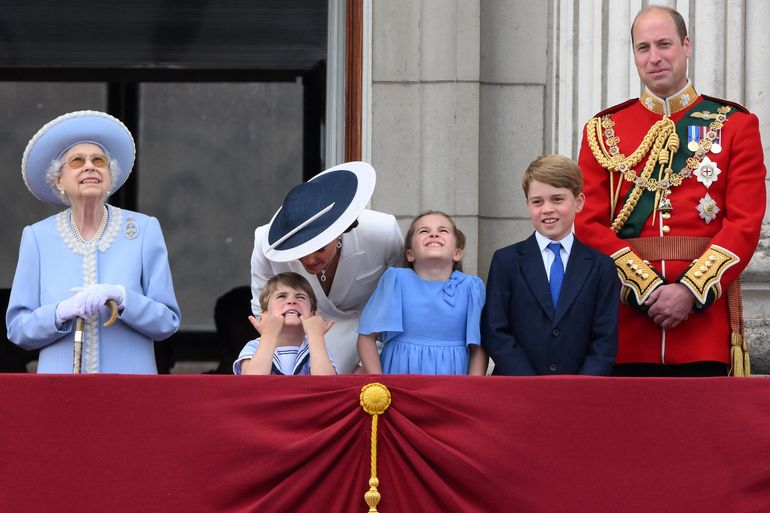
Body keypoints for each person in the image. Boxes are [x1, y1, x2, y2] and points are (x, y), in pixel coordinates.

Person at [575, 6, 766, 377]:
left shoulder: (734, 125)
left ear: (686, 46)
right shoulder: (603, 130)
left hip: (703, 326)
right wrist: (645, 289)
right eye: (643, 47)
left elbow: (744, 223)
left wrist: (691, 292)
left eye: (664, 44)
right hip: (627, 327)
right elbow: (588, 223)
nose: (654, 57)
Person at [6, 111, 181, 374]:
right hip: (60, 391)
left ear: (110, 178)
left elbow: (167, 321)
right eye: (77, 161)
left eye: (99, 161)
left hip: (130, 388)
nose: (90, 166)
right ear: (58, 180)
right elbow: (18, 329)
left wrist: (123, 298)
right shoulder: (37, 238)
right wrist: (59, 312)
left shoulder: (144, 230)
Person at [250, 162, 403, 374]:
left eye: (319, 248)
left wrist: (370, 364)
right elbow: (263, 309)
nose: (309, 259)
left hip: (369, 343)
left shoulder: (383, 232)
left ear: (340, 232)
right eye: (299, 250)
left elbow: (397, 304)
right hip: (301, 349)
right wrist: (285, 365)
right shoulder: (264, 242)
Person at [481, 155, 619, 376]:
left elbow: (605, 338)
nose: (547, 209)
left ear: (579, 202)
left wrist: (581, 386)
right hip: (519, 389)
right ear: (527, 204)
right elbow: (495, 330)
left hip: (580, 393)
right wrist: (531, 384)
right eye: (537, 201)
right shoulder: (506, 261)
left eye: (557, 199)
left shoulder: (601, 267)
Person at [357, 211, 488, 375]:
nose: (434, 234)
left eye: (443, 231)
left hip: (453, 379)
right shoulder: (395, 280)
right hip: (399, 376)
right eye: (424, 231)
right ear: (410, 254)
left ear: (457, 253)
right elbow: (366, 338)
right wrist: (378, 381)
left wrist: (471, 390)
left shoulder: (472, 287)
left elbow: (479, 347)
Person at [233, 272, 335, 375]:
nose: (291, 301)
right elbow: (252, 382)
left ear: (312, 315)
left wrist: (316, 336)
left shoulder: (316, 347)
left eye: (300, 297)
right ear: (265, 314)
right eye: (281, 296)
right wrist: (268, 335)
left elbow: (327, 383)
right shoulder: (253, 347)